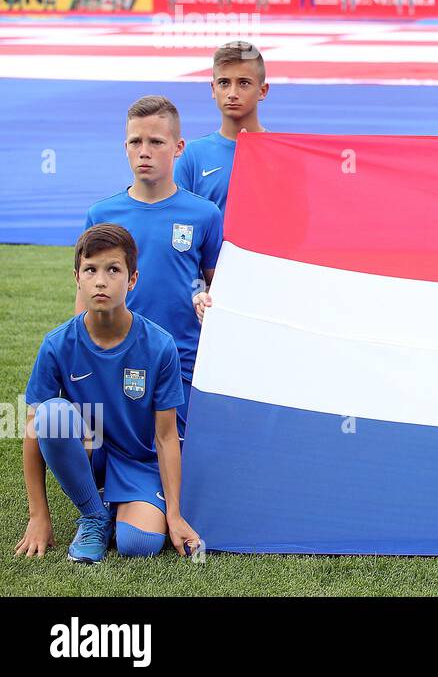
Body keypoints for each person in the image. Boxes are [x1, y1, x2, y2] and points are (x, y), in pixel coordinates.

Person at [15, 224, 202, 563]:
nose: (100, 280)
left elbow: (166, 437)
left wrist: (174, 514)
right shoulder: (57, 345)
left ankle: (116, 502)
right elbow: (32, 432)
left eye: (113, 269)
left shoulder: (159, 346)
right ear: (77, 277)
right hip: (93, 452)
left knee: (139, 544)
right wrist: (38, 516)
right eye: (91, 269)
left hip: (140, 461)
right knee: (50, 415)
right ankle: (94, 513)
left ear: (132, 279)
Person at [84, 96, 223, 441]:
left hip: (183, 360)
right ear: (125, 147)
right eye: (136, 142)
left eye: (156, 142)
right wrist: (84, 350)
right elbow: (86, 293)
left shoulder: (204, 215)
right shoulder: (102, 215)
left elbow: (215, 288)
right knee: (107, 444)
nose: (144, 151)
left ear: (178, 147)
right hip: (118, 354)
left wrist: (207, 300)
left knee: (178, 454)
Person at [175, 42, 269, 216]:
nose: (232, 93)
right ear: (213, 89)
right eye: (224, 83)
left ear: (262, 91)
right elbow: (178, 220)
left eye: (244, 83)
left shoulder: (281, 154)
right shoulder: (194, 156)